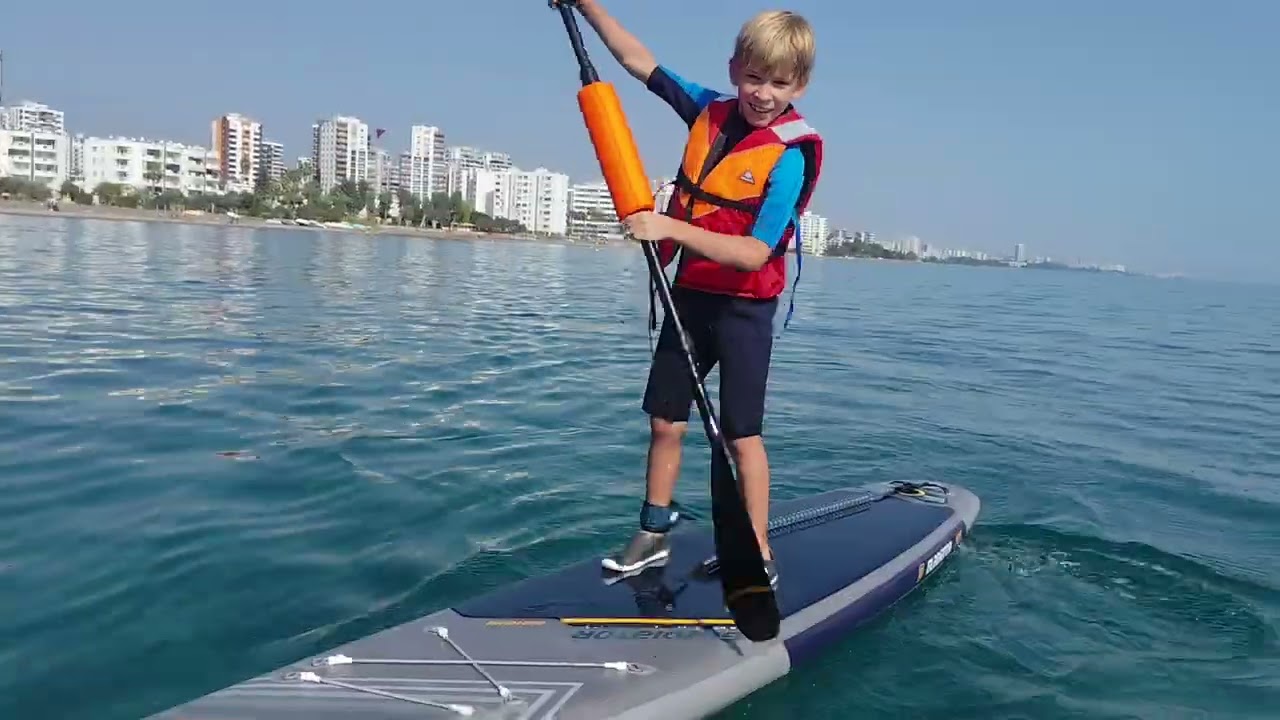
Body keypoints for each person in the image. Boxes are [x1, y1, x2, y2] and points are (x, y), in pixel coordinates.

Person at [556, 0, 824, 588]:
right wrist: (586, 5)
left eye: (778, 83)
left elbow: (756, 252)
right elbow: (637, 60)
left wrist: (670, 227)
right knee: (665, 421)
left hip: (746, 310)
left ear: (798, 85)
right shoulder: (709, 110)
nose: (762, 94)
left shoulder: (790, 156)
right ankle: (653, 534)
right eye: (754, 77)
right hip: (691, 297)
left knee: (741, 436)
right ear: (735, 70)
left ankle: (755, 551)